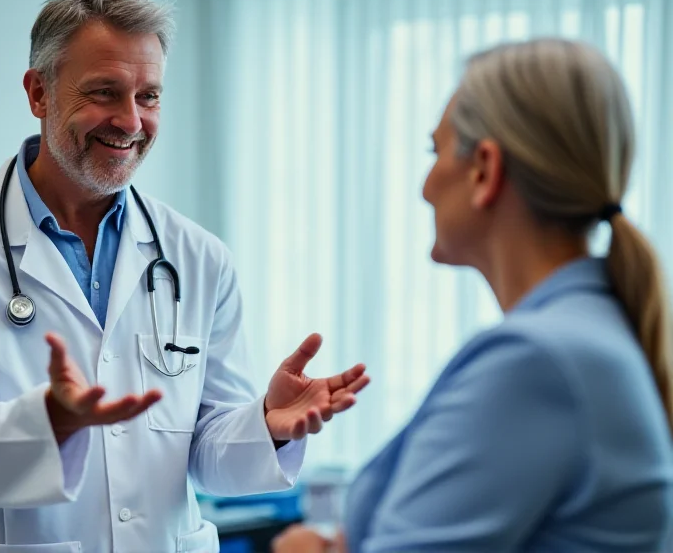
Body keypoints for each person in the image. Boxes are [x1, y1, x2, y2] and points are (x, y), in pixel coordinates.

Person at [0, 0, 369, 553]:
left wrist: (265, 424)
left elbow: (207, 454)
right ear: (38, 92)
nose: (130, 121)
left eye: (149, 96)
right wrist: (51, 422)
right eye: (104, 92)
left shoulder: (197, 256)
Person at [272, 38, 673, 552]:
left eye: (435, 151)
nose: (424, 187)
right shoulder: (595, 330)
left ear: (484, 169)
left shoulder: (535, 362)